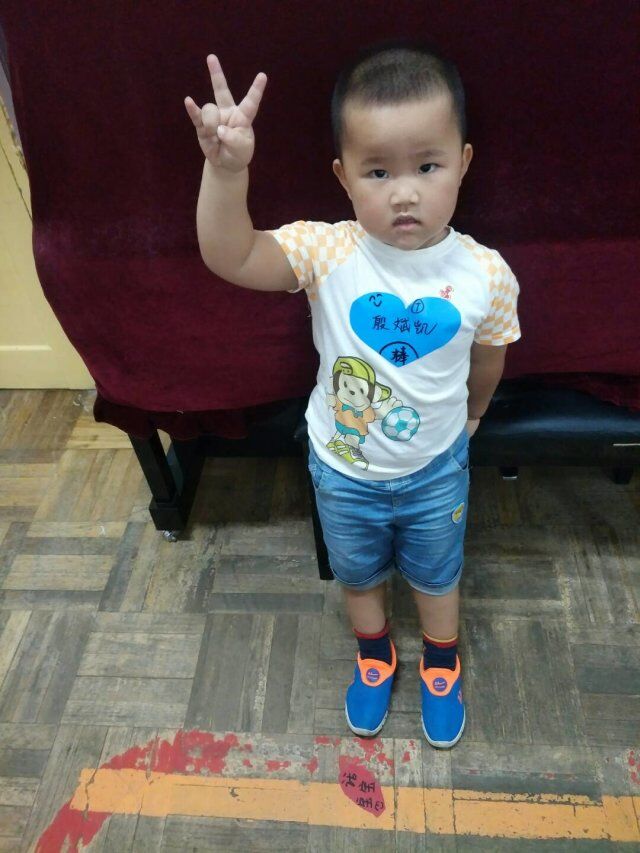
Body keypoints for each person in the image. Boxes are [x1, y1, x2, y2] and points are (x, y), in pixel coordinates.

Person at [184, 39, 521, 748]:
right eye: (378, 170)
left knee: (438, 575)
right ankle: (375, 654)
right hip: (341, 470)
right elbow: (231, 255)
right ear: (343, 176)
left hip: (435, 470)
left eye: (427, 165)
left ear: (463, 162)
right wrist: (225, 171)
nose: (404, 192)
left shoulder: (487, 273)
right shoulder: (328, 249)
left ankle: (441, 661)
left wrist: (474, 414)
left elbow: (489, 356)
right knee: (358, 574)